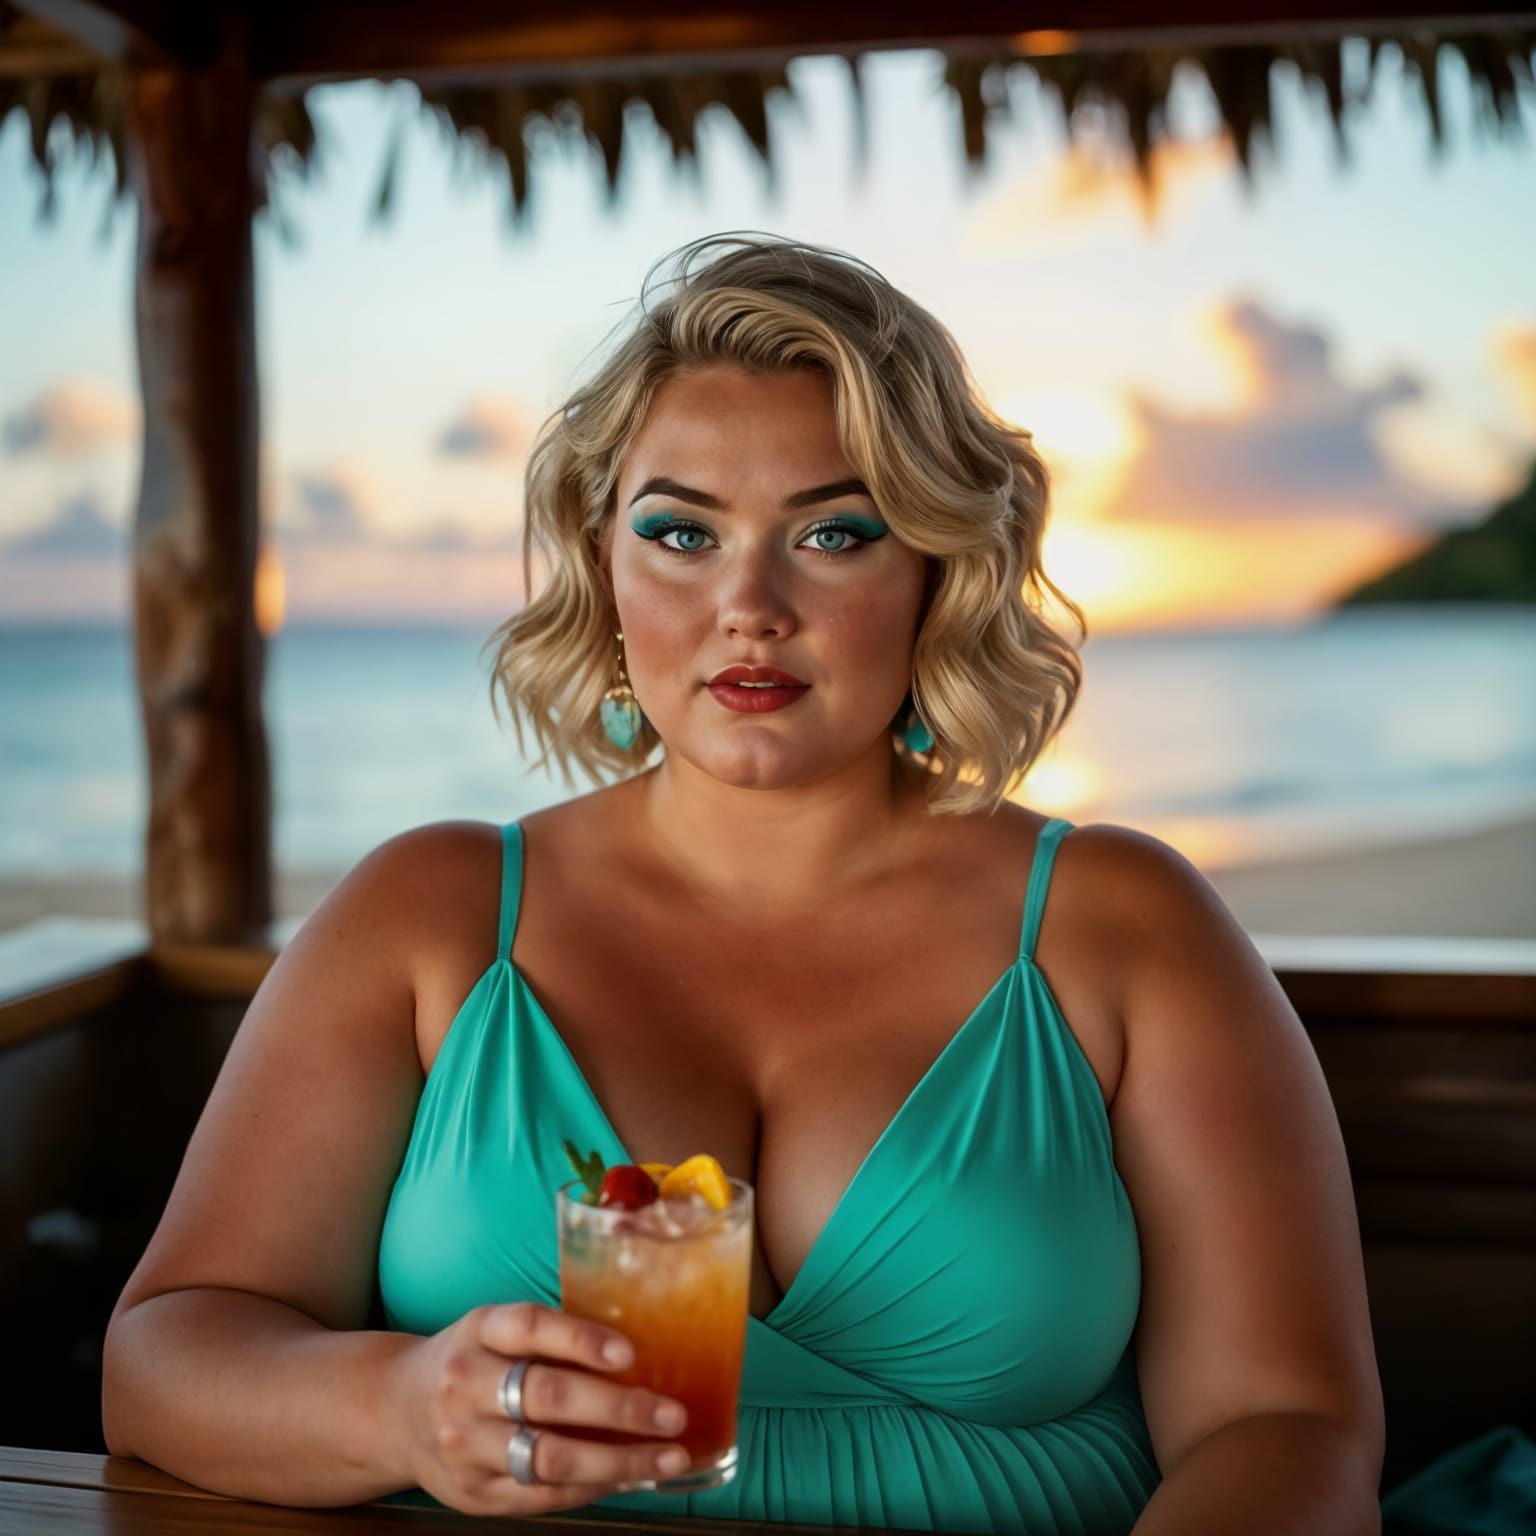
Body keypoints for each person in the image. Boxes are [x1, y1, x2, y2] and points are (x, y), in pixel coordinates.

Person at [101, 232, 1384, 1534]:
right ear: (600, 563)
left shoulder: (1123, 927)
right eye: (681, 533)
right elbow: (165, 1357)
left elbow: (1288, 1429)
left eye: (833, 533)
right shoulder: (426, 917)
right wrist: (396, 1406)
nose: (749, 604)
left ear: (936, 566)